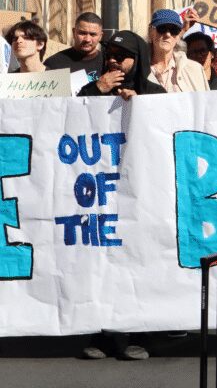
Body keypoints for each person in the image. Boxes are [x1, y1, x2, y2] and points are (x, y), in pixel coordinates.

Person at [79, 29, 164, 359]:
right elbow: (67, 119)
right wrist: (95, 92)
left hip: (142, 196)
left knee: (139, 265)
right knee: (100, 263)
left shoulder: (156, 93)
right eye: (110, 54)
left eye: (122, 55)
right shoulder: (91, 89)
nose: (114, 59)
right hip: (101, 193)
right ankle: (100, 334)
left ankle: (137, 336)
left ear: (138, 59)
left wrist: (141, 107)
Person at [148, 9, 209, 93]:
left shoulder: (195, 69)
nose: (168, 35)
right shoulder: (138, 69)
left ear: (178, 37)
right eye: (162, 28)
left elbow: (205, 103)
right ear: (151, 32)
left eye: (174, 30)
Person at [44, 12, 105, 84]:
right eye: (82, 33)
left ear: (101, 36)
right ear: (74, 32)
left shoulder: (108, 63)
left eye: (93, 34)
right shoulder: (54, 63)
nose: (87, 39)